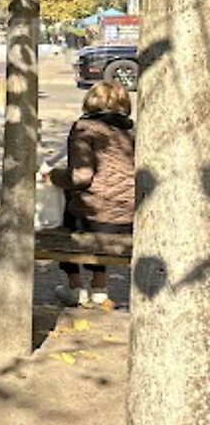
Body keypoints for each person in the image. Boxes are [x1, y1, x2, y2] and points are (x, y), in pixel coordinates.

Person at [47, 81, 134, 307]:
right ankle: (99, 285)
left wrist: (54, 176)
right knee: (93, 209)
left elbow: (81, 177)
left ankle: (75, 287)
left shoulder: (84, 128)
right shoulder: (133, 130)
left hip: (95, 217)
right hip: (130, 216)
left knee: (70, 216)